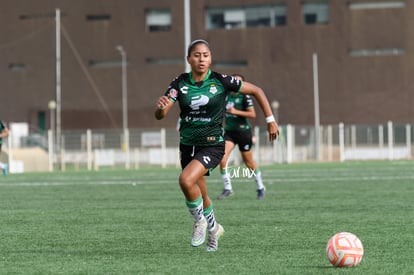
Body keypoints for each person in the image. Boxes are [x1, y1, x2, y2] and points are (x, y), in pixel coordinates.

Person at [154, 39, 279, 252]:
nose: (201, 59)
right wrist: (161, 108)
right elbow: (161, 114)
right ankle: (214, 230)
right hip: (187, 146)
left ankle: (200, 221)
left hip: (212, 145)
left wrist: (270, 120)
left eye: (205, 55)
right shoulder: (180, 82)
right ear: (188, 59)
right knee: (200, 194)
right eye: (196, 55)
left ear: (210, 58)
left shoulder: (221, 81)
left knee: (185, 180)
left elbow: (257, 90)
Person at [218, 74, 266, 200]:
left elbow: (252, 114)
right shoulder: (226, 95)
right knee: (222, 159)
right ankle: (228, 188)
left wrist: (236, 112)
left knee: (249, 163)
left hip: (243, 132)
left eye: (238, 82)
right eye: (234, 80)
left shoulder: (245, 97)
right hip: (229, 133)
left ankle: (260, 187)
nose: (235, 83)